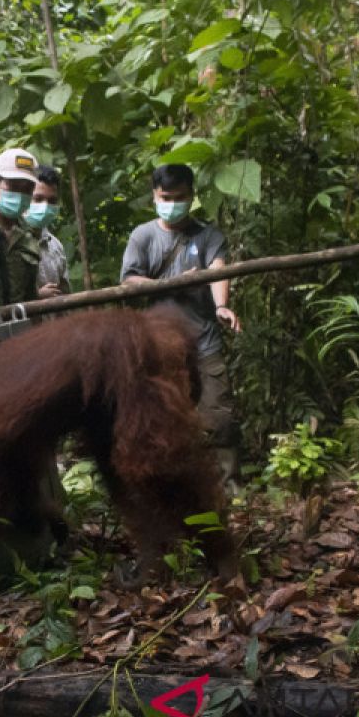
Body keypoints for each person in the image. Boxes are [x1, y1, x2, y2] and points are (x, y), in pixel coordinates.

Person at [120, 163, 242, 492]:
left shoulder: (208, 235)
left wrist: (221, 306)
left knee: (218, 417)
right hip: (159, 345)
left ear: (192, 197)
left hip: (204, 342)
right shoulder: (143, 236)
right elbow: (130, 281)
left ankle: (226, 487)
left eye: (180, 197)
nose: (173, 202)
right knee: (164, 419)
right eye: (166, 197)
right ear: (155, 196)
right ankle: (172, 489)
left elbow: (218, 270)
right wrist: (175, 283)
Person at [0, 148, 43, 306]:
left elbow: (29, 299)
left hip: (14, 326)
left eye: (27, 189)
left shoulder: (29, 235)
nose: (20, 195)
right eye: (13, 186)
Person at [26, 164, 71, 299]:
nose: (45, 206)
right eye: (38, 199)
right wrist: (37, 296)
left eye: (52, 200)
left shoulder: (55, 246)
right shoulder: (9, 242)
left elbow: (65, 293)